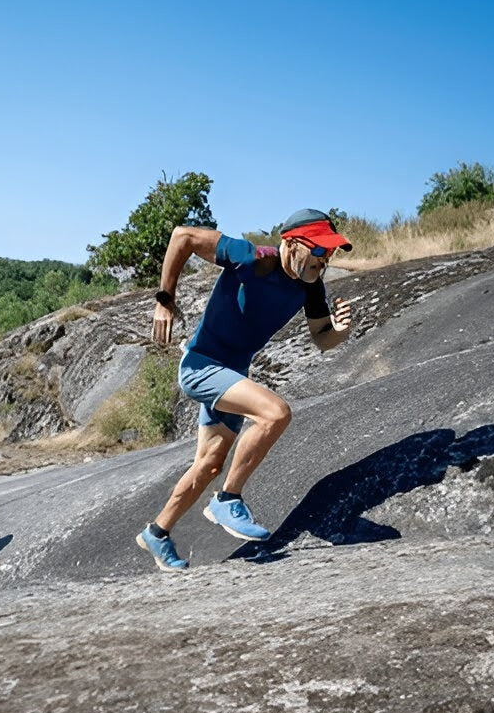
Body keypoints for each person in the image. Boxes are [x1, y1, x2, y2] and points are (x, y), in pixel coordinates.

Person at [137, 208, 354, 570]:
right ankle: (228, 498)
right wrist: (165, 300)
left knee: (208, 464)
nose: (325, 260)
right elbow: (182, 236)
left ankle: (157, 534)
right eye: (319, 250)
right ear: (292, 244)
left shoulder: (311, 287)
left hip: (232, 372)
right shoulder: (250, 257)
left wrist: (340, 331)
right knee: (275, 413)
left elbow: (322, 339)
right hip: (202, 365)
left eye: (329, 253)